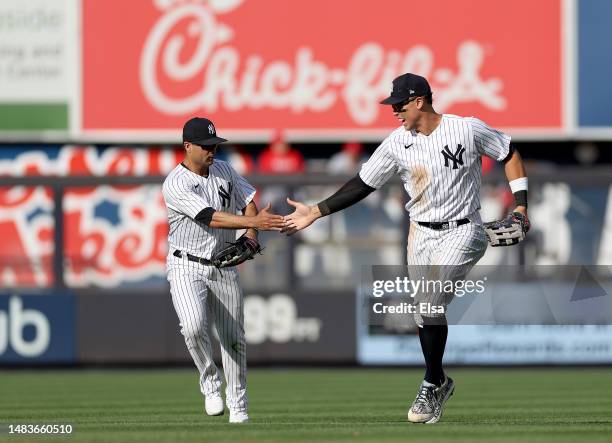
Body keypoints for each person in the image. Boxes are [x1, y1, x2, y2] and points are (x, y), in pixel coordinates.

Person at [282, 73, 529, 424]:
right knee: (423, 313)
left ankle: (430, 383)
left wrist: (520, 205)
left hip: (462, 227)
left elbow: (509, 151)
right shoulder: (397, 142)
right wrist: (317, 210)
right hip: (420, 234)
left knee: (428, 301)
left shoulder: (466, 128)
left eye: (399, 104)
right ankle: (440, 380)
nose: (394, 111)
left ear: (419, 101)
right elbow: (363, 184)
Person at [162, 117, 284, 424]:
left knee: (233, 339)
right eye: (204, 146)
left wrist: (252, 236)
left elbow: (248, 202)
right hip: (185, 263)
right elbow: (209, 217)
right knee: (192, 326)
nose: (211, 150)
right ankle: (210, 382)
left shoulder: (224, 169)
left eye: (214, 144)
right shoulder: (174, 183)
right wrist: (252, 224)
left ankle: (239, 406)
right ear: (187, 146)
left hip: (223, 262)